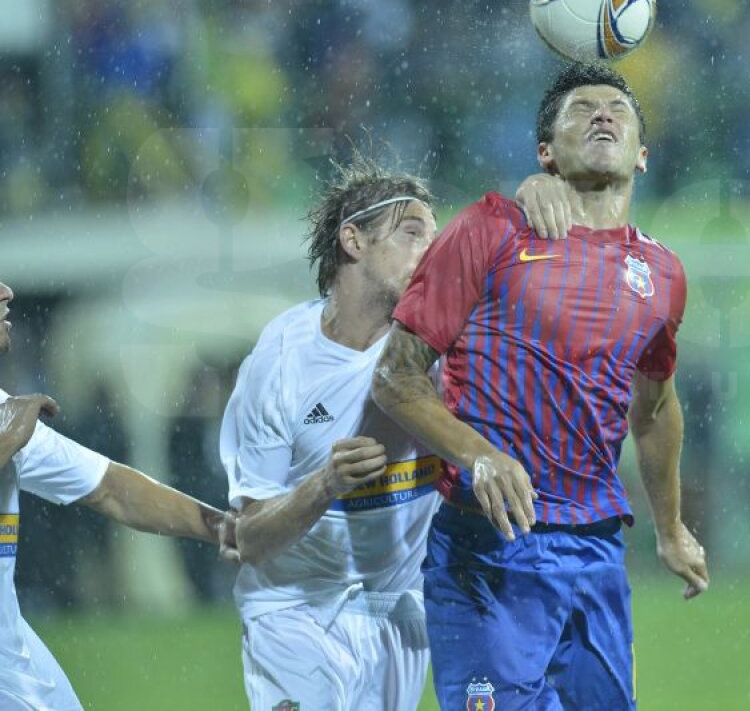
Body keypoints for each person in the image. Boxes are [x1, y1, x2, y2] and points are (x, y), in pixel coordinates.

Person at [372, 61, 710, 711]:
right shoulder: (488, 230)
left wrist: (669, 528)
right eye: (580, 108)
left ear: (642, 154)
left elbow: (655, 408)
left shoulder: (662, 273)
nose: (602, 113)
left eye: (617, 108)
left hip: (595, 554)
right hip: (487, 551)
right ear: (545, 152)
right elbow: (396, 375)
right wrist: (479, 454)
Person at [219, 151, 577, 711]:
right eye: (412, 233)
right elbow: (248, 538)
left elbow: (527, 285)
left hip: (399, 613)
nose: (432, 251)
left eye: (436, 237)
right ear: (354, 242)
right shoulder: (281, 361)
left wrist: (532, 194)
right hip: (294, 609)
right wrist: (323, 485)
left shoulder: (440, 351)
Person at [0, 280, 227, 711]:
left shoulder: (4, 410)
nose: (6, 292)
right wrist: (6, 439)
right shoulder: (9, 422)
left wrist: (225, 527)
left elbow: (112, 488)